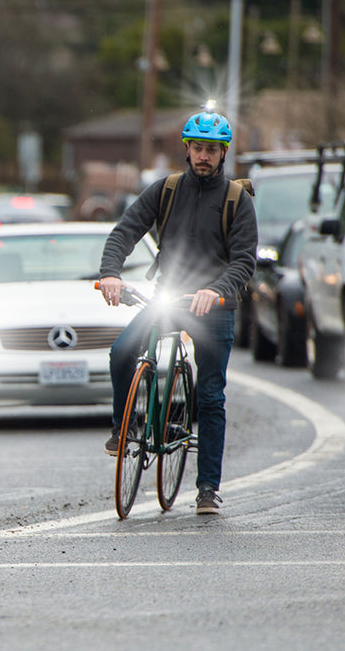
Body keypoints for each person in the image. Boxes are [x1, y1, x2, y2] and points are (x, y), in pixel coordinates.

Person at [97, 108, 258, 515]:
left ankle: (207, 489)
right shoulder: (165, 190)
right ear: (187, 149)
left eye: (212, 150)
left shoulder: (237, 201)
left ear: (223, 154)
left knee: (210, 395)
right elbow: (125, 231)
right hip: (168, 297)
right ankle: (125, 426)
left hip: (213, 306)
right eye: (198, 148)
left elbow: (244, 262)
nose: (204, 156)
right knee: (121, 352)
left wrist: (216, 290)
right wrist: (111, 274)